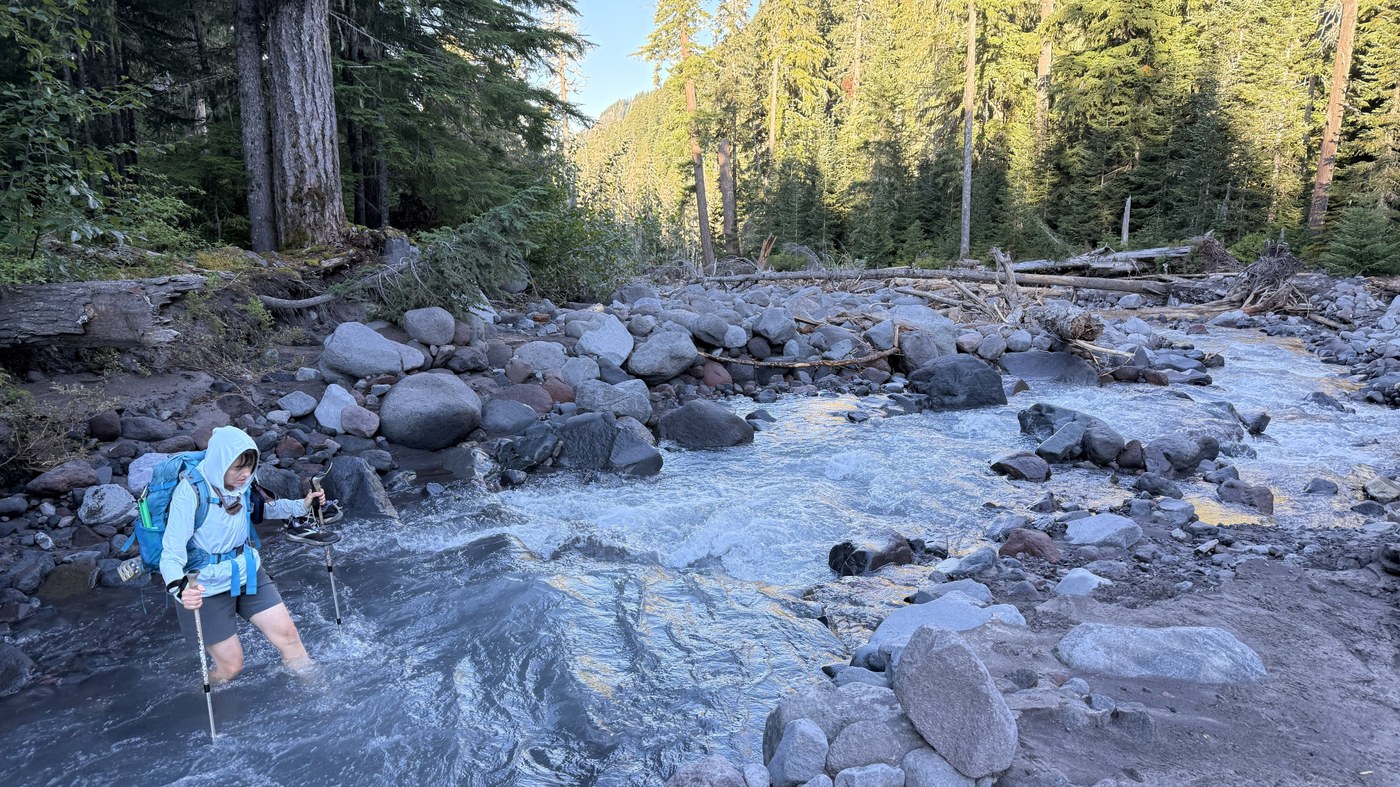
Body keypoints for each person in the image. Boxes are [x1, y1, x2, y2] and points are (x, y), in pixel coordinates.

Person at [162, 426, 328, 684]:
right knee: (232, 667)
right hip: (205, 586)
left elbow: (264, 509)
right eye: (238, 467)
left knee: (289, 637)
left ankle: (323, 695)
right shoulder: (190, 493)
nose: (246, 474)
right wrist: (179, 587)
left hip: (246, 571)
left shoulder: (246, 483)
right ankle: (198, 696)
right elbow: (171, 553)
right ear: (220, 463)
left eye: (250, 466)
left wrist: (302, 506)